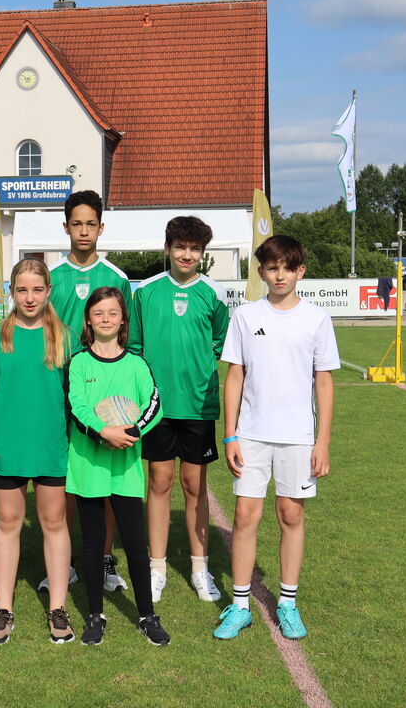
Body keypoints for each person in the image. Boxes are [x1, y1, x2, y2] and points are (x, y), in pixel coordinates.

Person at [213, 235, 339, 641]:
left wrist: (322, 442)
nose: (279, 275)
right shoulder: (245, 316)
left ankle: (287, 603)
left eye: (287, 268)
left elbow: (324, 381)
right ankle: (240, 606)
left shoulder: (316, 318)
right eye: (272, 268)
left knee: (291, 515)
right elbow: (235, 376)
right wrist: (230, 434)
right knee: (244, 517)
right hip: (251, 435)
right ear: (261, 272)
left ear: (301, 271)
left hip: (298, 438)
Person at [129, 216, 228, 603]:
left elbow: (220, 342)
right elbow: (135, 347)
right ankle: (156, 569)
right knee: (159, 481)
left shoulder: (214, 293)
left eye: (195, 249)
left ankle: (200, 569)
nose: (187, 255)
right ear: (167, 248)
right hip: (156, 406)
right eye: (180, 247)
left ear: (203, 254)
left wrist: (199, 371)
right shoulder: (146, 291)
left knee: (194, 485)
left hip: (198, 405)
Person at [0, 259, 74, 644]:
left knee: (54, 523)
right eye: (22, 290)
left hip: (51, 447)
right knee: (9, 523)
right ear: (11, 292)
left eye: (37, 290)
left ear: (49, 291)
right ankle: (4, 610)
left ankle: (58, 609)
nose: (29, 298)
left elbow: (73, 396)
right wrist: (8, 432)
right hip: (7, 449)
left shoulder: (66, 339)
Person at [66, 287, 170, 646]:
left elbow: (154, 404)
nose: (106, 319)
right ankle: (95, 615)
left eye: (113, 313)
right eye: (98, 313)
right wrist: (103, 432)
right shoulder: (79, 363)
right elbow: (76, 406)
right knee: (93, 543)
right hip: (88, 465)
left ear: (123, 320)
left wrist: (132, 432)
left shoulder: (136, 364)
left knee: (136, 544)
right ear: (88, 320)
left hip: (125, 467)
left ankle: (147, 616)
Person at [46, 189, 133, 593]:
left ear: (101, 227)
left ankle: (104, 559)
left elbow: (128, 340)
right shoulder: (51, 277)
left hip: (104, 397)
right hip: (58, 390)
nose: (84, 231)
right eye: (77, 224)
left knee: (107, 478)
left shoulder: (116, 279)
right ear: (66, 227)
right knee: (64, 477)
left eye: (91, 224)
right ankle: (64, 562)